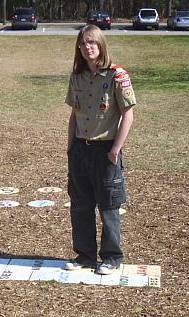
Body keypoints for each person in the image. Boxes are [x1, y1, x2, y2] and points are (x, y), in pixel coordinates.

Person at [64, 25, 136, 275]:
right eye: (83, 44)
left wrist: (116, 148)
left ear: (101, 44)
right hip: (80, 148)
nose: (87, 48)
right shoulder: (77, 77)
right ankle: (84, 255)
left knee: (108, 206)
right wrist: (70, 147)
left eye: (92, 43)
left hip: (106, 150)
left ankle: (112, 257)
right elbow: (74, 114)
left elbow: (128, 114)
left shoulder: (116, 75)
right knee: (80, 204)